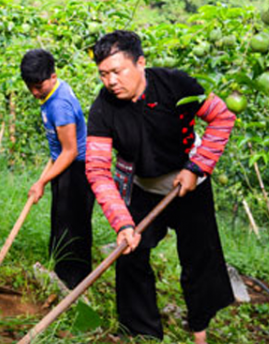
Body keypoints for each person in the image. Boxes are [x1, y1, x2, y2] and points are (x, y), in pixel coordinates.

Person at [84, 31, 235, 344]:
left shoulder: (176, 85)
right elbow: (98, 170)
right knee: (130, 254)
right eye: (103, 74)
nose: (110, 81)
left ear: (140, 62)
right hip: (143, 188)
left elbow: (222, 117)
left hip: (190, 186)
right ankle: (143, 334)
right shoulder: (103, 108)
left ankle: (200, 331)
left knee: (199, 259)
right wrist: (122, 222)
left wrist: (197, 167)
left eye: (117, 71)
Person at [20, 49, 95, 289]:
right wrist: (43, 179)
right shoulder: (51, 92)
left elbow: (70, 151)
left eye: (38, 86)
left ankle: (73, 284)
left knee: (73, 226)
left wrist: (40, 182)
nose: (34, 92)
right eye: (29, 86)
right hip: (65, 165)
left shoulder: (59, 103)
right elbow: (59, 150)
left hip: (78, 169)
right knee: (61, 221)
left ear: (53, 77)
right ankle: (59, 274)